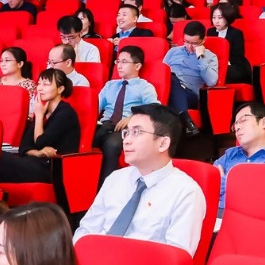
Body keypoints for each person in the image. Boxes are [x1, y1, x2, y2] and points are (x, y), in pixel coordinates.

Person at [75, 104, 205, 254]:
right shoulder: (115, 179)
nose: (126, 140)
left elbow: (176, 258)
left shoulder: (186, 192)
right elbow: (86, 230)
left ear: (163, 143)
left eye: (136, 132)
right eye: (126, 132)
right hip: (95, 260)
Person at [0, 70, 81, 184]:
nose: (40, 88)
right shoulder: (43, 111)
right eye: (39, 84)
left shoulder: (65, 113)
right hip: (35, 162)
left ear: (60, 89)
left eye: (46, 84)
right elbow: (24, 148)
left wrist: (39, 116)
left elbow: (41, 142)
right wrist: (38, 153)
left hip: (52, 168)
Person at [93, 45, 159, 181]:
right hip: (105, 125)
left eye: (124, 62)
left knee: (111, 145)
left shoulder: (144, 87)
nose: (119, 65)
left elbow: (155, 108)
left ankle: (106, 187)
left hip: (126, 129)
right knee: (80, 140)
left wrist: (133, 118)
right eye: (118, 61)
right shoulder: (110, 85)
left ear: (137, 66)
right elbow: (94, 107)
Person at [163, 20, 219, 137]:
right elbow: (161, 73)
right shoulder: (173, 52)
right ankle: (186, 119)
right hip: (167, 91)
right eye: (186, 42)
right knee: (170, 77)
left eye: (194, 43)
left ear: (203, 40)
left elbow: (211, 82)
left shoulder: (210, 57)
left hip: (189, 94)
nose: (189, 46)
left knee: (171, 78)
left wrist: (200, 57)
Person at [0, 47, 38, 112]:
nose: (2, 64)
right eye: (1, 61)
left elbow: (30, 111)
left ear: (20, 64)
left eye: (7, 60)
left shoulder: (29, 85)